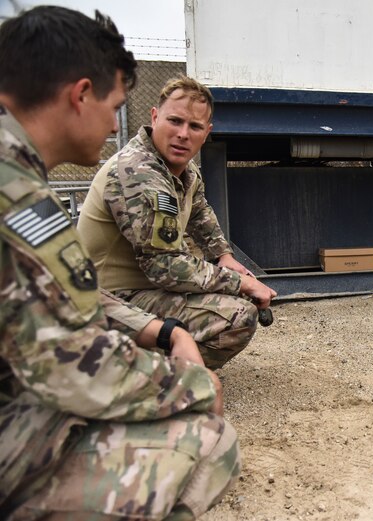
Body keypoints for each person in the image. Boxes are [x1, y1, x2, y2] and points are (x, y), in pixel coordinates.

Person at [0, 6, 239, 518]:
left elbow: (56, 298)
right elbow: (67, 363)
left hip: (84, 331)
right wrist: (189, 385)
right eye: (113, 107)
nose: (114, 124)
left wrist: (166, 331)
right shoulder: (16, 194)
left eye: (195, 126)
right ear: (80, 95)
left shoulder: (16, 173)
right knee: (209, 439)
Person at [77, 76, 276, 370]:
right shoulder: (138, 170)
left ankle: (155, 361)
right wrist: (241, 283)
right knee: (236, 316)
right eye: (175, 121)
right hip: (106, 301)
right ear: (154, 117)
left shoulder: (184, 169)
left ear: (206, 133)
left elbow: (200, 212)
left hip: (145, 289)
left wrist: (223, 256)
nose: (183, 134)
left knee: (227, 291)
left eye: (194, 126)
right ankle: (137, 372)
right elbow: (165, 266)